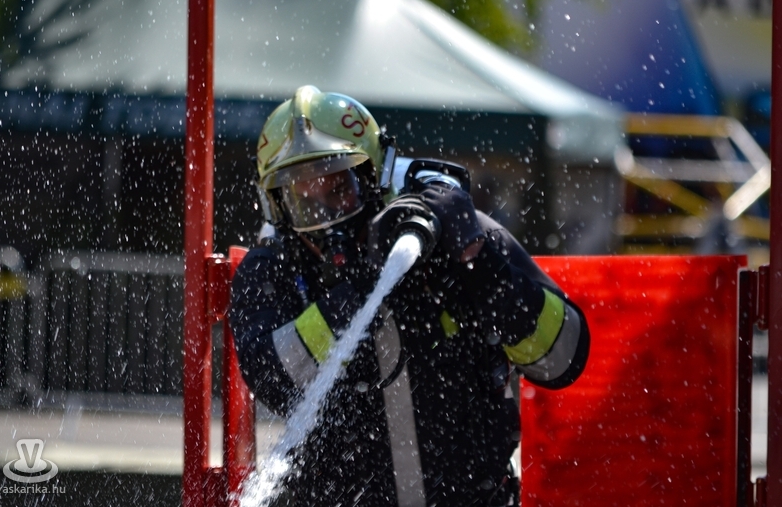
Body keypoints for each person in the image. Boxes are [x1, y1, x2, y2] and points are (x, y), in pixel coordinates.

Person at [230, 85, 590, 507]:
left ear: (375, 177)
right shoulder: (272, 273)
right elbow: (276, 382)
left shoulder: (455, 238)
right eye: (303, 203)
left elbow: (562, 359)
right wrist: (364, 285)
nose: (327, 219)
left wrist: (477, 264)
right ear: (277, 207)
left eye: (340, 189)